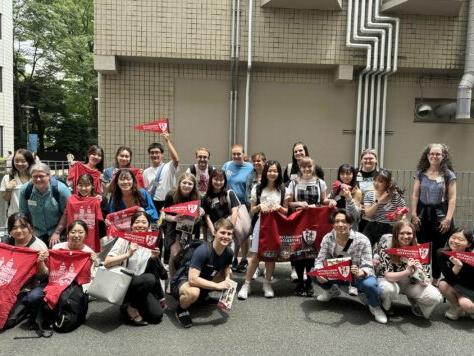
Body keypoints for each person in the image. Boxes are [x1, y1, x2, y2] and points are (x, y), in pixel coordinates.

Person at [314, 209, 387, 324]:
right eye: (336, 221)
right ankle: (332, 291)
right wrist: (319, 272)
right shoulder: (328, 238)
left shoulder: (362, 239)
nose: (340, 224)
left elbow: (368, 264)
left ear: (350, 223)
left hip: (356, 275)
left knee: (370, 284)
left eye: (344, 221)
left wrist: (361, 272)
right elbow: (320, 260)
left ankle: (375, 306)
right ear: (333, 224)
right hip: (338, 273)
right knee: (314, 272)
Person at [285, 157, 336, 296]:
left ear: (313, 167)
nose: (307, 169)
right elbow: (289, 203)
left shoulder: (320, 183)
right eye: (303, 167)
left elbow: (323, 200)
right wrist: (299, 204)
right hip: (299, 221)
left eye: (309, 167)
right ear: (299, 168)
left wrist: (330, 201)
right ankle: (301, 281)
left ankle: (309, 283)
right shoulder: (293, 183)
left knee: (312, 252)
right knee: (299, 252)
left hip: (315, 221)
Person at [237, 160, 287, 299]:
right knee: (255, 256)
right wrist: (259, 207)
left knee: (271, 256)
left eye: (275, 171)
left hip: (276, 225)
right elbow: (252, 210)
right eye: (270, 170)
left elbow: (286, 211)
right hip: (261, 224)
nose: (272, 173)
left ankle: (267, 284)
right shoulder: (258, 188)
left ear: (279, 173)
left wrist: (279, 208)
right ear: (265, 172)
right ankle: (246, 285)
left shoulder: (283, 189)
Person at [104, 211, 164, 326]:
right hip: (123, 283)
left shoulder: (151, 242)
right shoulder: (124, 239)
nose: (140, 225)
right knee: (148, 279)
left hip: (142, 285)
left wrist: (153, 258)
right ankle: (129, 307)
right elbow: (107, 263)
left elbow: (156, 272)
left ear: (149, 226)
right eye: (137, 222)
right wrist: (128, 254)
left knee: (156, 316)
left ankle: (133, 303)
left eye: (144, 222)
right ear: (131, 226)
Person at [172, 218, 234, 328]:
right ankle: (181, 309)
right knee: (193, 292)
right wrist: (217, 285)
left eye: (229, 234)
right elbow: (192, 279)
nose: (226, 236)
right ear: (214, 233)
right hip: (183, 281)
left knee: (227, 276)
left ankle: (203, 296)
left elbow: (227, 267)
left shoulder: (229, 252)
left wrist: (227, 278)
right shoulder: (203, 250)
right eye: (222, 232)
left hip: (203, 278)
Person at [374, 221, 442, 319]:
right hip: (390, 281)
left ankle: (418, 305)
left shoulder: (421, 250)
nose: (406, 236)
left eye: (409, 233)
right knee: (387, 289)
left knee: (435, 296)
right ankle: (386, 306)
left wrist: (419, 271)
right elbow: (388, 276)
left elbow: (426, 281)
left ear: (414, 234)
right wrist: (407, 271)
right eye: (402, 233)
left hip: (411, 283)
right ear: (396, 234)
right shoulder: (386, 246)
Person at [411, 143, 456, 285]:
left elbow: (453, 198)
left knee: (438, 248)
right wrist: (413, 214)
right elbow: (415, 195)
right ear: (427, 155)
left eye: (438, 154)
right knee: (422, 247)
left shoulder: (449, 175)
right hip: (422, 213)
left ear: (443, 156)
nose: (434, 156)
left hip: (441, 214)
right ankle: (421, 276)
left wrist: (448, 219)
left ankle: (436, 278)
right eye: (432, 153)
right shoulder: (420, 172)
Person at [2, 213, 49, 331]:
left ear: (31, 228)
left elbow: (44, 276)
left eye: (23, 226)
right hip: (4, 284)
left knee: (7, 320)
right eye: (14, 228)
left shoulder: (38, 247)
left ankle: (26, 310)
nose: (18, 230)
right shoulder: (5, 242)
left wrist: (40, 263)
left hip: (25, 288)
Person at [19, 163, 71, 245]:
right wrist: (30, 231)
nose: (38, 179)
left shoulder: (61, 190)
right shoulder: (25, 190)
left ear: (49, 176)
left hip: (58, 231)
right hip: (35, 232)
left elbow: (67, 213)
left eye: (41, 176)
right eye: (35, 176)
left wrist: (57, 233)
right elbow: (23, 214)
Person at [163, 172, 203, 279]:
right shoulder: (171, 195)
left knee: (185, 254)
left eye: (190, 184)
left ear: (194, 186)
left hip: (188, 228)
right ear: (179, 183)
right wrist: (174, 218)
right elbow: (163, 214)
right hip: (172, 226)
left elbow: (198, 219)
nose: (186, 186)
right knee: (174, 254)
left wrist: (200, 213)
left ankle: (180, 277)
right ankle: (172, 279)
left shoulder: (197, 197)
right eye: (184, 183)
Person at [222, 144, 254, 273]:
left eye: (238, 154)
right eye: (234, 153)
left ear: (243, 154)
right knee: (233, 232)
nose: (236, 156)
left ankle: (244, 259)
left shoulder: (250, 167)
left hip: (245, 205)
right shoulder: (227, 166)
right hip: (230, 205)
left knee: (244, 234)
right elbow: (222, 182)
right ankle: (233, 258)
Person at [53, 174, 103, 251]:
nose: (83, 188)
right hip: (73, 237)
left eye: (87, 185)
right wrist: (57, 232)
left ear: (92, 186)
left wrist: (100, 203)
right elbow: (65, 217)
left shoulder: (97, 201)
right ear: (76, 186)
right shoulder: (71, 200)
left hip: (90, 241)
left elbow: (103, 222)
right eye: (80, 185)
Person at [437, 228, 474, 320]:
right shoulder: (442, 253)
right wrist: (457, 266)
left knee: (468, 306)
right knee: (442, 284)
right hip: (458, 286)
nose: (455, 241)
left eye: (461, 239)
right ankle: (456, 307)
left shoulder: (471, 257)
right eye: (453, 237)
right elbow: (449, 279)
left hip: (471, 289)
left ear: (469, 244)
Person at [363, 169, 406, 246]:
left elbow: (403, 214)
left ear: (388, 183)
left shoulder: (396, 197)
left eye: (380, 181)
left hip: (389, 228)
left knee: (386, 252)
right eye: (375, 180)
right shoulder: (369, 195)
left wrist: (399, 216)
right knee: (364, 246)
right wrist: (379, 201)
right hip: (372, 226)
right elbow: (368, 214)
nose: (376, 183)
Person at [202, 169, 239, 257]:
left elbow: (235, 212)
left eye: (221, 179)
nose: (218, 182)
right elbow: (207, 216)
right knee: (214, 256)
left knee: (227, 257)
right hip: (214, 233)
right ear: (211, 180)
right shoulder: (206, 197)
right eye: (216, 179)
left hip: (227, 232)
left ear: (225, 181)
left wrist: (230, 230)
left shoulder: (229, 194)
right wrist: (213, 231)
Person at [143, 133, 180, 212]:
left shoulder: (169, 166)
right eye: (152, 153)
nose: (154, 155)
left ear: (162, 154)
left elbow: (176, 159)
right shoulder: (146, 172)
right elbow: (147, 189)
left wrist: (167, 140)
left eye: (157, 152)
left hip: (169, 201)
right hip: (153, 203)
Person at [245, 152, 266, 278]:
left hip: (269, 213)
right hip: (255, 212)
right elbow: (247, 194)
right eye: (255, 161)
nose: (257, 163)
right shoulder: (250, 176)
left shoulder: (269, 174)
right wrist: (255, 206)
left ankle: (266, 267)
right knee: (255, 240)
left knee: (267, 241)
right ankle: (256, 267)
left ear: (264, 161)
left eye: (259, 160)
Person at [1, 149, 35, 217]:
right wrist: (8, 189)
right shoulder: (8, 178)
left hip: (34, 217)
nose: (19, 164)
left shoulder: (36, 178)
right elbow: (6, 199)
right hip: (15, 218)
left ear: (29, 161)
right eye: (16, 161)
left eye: (23, 161)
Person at [329, 163, 362, 229]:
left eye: (348, 174)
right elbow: (330, 200)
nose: (345, 176)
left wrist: (348, 198)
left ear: (353, 175)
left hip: (349, 225)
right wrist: (331, 199)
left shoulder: (356, 191)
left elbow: (355, 215)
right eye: (342, 174)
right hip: (336, 223)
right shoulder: (337, 187)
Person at [356, 149, 379, 232]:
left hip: (376, 214)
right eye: (365, 158)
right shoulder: (354, 173)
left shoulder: (382, 174)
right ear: (361, 160)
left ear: (376, 160)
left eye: (371, 158)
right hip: (358, 214)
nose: (368, 160)